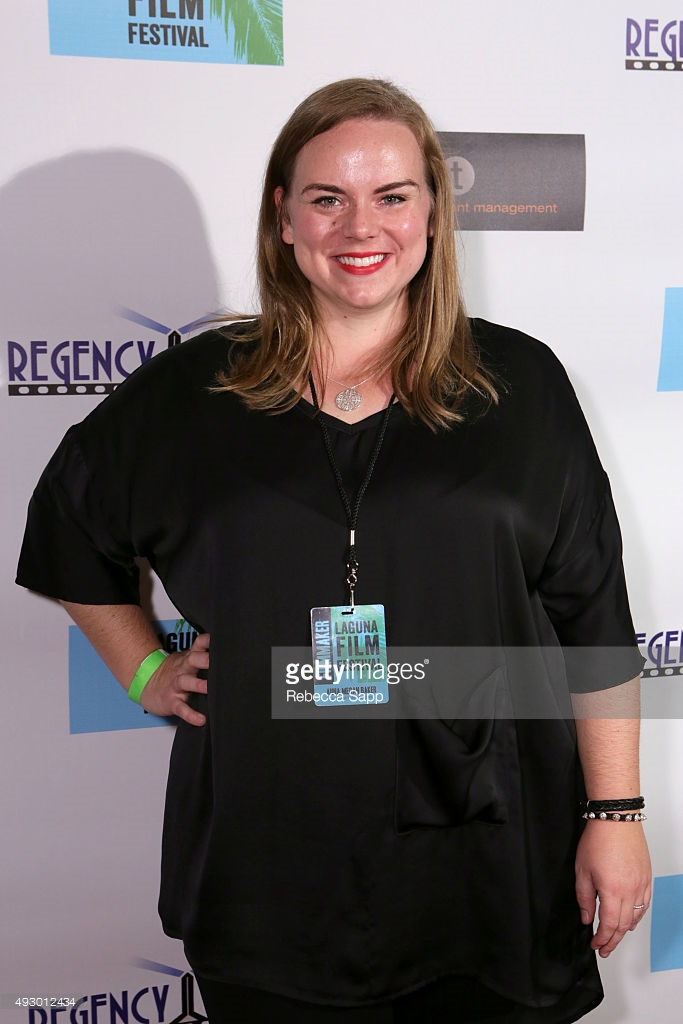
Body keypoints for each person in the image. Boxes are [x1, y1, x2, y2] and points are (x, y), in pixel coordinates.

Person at [17, 78, 651, 1023]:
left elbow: (593, 617)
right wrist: (143, 666)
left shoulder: (520, 384)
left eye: (392, 195)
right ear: (282, 217)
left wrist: (613, 817)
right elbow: (68, 527)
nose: (362, 226)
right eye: (327, 198)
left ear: (433, 214)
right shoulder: (195, 393)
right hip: (270, 857)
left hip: (488, 849)